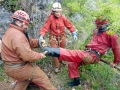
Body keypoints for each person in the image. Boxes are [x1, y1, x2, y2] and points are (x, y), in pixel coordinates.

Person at [39, 16, 120, 86]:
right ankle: (76, 82)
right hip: (88, 52)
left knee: (72, 53)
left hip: (93, 55)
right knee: (72, 64)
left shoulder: (111, 34)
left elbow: (116, 48)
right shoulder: (96, 31)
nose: (96, 25)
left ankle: (48, 51)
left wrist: (115, 62)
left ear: (103, 25)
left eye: (97, 24)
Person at [1, 10, 57, 90]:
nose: (27, 26)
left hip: (10, 68)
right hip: (19, 68)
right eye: (26, 24)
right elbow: (27, 56)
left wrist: (38, 42)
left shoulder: (11, 31)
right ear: (20, 22)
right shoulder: (17, 36)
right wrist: (40, 55)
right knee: (41, 77)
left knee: (25, 79)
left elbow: (27, 42)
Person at [39, 2, 77, 73]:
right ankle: (57, 66)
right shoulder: (50, 18)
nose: (58, 13)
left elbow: (69, 25)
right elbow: (45, 28)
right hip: (53, 38)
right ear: (53, 12)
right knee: (55, 52)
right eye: (56, 12)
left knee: (62, 50)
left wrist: (73, 32)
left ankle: (62, 60)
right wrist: (41, 35)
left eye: (59, 12)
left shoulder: (63, 18)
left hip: (62, 37)